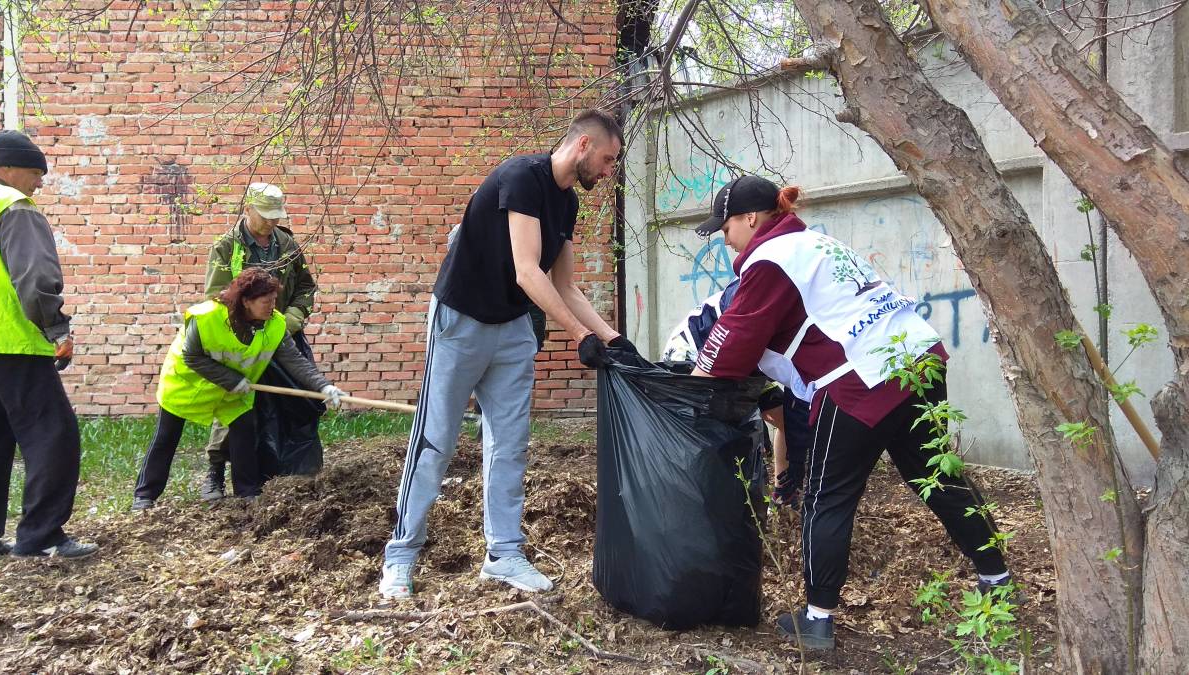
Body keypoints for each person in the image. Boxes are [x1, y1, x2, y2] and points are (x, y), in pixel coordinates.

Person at [690, 175, 1015, 650]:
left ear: (750, 219)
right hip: (918, 356)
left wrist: (690, 389)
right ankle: (997, 576)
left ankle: (818, 619)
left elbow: (735, 338)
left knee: (827, 495)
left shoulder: (769, 259)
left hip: (861, 378)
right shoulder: (815, 243)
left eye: (725, 227)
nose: (724, 238)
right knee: (934, 473)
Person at [380, 109, 635, 599]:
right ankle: (401, 555)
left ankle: (503, 554)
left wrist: (611, 338)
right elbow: (527, 271)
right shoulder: (521, 177)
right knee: (435, 441)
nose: (608, 171)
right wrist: (578, 334)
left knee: (510, 444)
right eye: (607, 159)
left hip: (512, 330)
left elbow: (565, 284)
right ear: (583, 144)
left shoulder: (567, 206)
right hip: (461, 323)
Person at [131, 268, 345, 509]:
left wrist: (324, 387)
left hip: (232, 391)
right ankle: (144, 495)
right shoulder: (208, 317)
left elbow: (295, 361)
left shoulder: (274, 325)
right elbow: (191, 356)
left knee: (245, 432)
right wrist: (231, 379)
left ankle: (247, 493)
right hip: (187, 385)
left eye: (274, 300)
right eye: (266, 301)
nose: (272, 307)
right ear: (246, 301)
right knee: (166, 438)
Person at [0, 130, 98, 560]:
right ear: (9, 168)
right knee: (55, 435)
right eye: (36, 173)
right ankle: (41, 535)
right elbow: (35, 280)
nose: (39, 183)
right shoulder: (12, 207)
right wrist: (57, 329)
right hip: (12, 342)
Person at [199, 183, 320, 501]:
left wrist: (290, 320)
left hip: (283, 338)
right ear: (248, 209)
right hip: (243, 339)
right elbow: (216, 294)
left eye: (275, 216)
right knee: (235, 406)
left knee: (301, 401)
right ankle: (214, 473)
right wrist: (251, 320)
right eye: (265, 216)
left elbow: (306, 287)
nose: (271, 222)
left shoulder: (288, 244)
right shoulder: (227, 247)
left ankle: (289, 470)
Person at [662, 279, 810, 508]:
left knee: (785, 417)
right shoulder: (758, 290)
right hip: (693, 354)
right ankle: (696, 497)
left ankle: (783, 494)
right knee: (711, 431)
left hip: (748, 360)